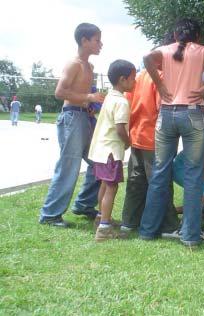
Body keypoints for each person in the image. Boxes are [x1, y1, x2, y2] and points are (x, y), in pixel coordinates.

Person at [139, 18, 204, 247]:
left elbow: (147, 58)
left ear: (175, 34)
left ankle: (147, 231)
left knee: (159, 173)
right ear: (196, 36)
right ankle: (190, 236)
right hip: (192, 114)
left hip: (166, 114)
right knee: (193, 175)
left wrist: (159, 85)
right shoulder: (200, 51)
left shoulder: (165, 50)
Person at [39, 23, 104, 227]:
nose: (101, 44)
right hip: (72, 118)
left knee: (99, 163)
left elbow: (82, 94)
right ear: (84, 41)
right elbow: (60, 93)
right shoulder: (73, 64)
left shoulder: (90, 66)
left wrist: (89, 104)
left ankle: (84, 204)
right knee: (69, 166)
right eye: (97, 40)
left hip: (85, 117)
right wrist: (88, 96)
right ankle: (50, 215)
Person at [120, 66, 180, 236]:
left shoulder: (139, 76)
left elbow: (127, 105)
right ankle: (169, 226)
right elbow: (163, 109)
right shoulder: (161, 76)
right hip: (155, 139)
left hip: (136, 136)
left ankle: (130, 221)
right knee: (160, 182)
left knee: (135, 181)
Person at [89, 60, 135, 241]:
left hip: (100, 150)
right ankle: (104, 229)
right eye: (133, 78)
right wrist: (128, 142)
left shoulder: (109, 97)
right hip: (111, 152)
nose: (135, 82)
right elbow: (120, 128)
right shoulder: (122, 102)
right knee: (111, 187)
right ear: (122, 79)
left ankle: (101, 218)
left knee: (104, 184)